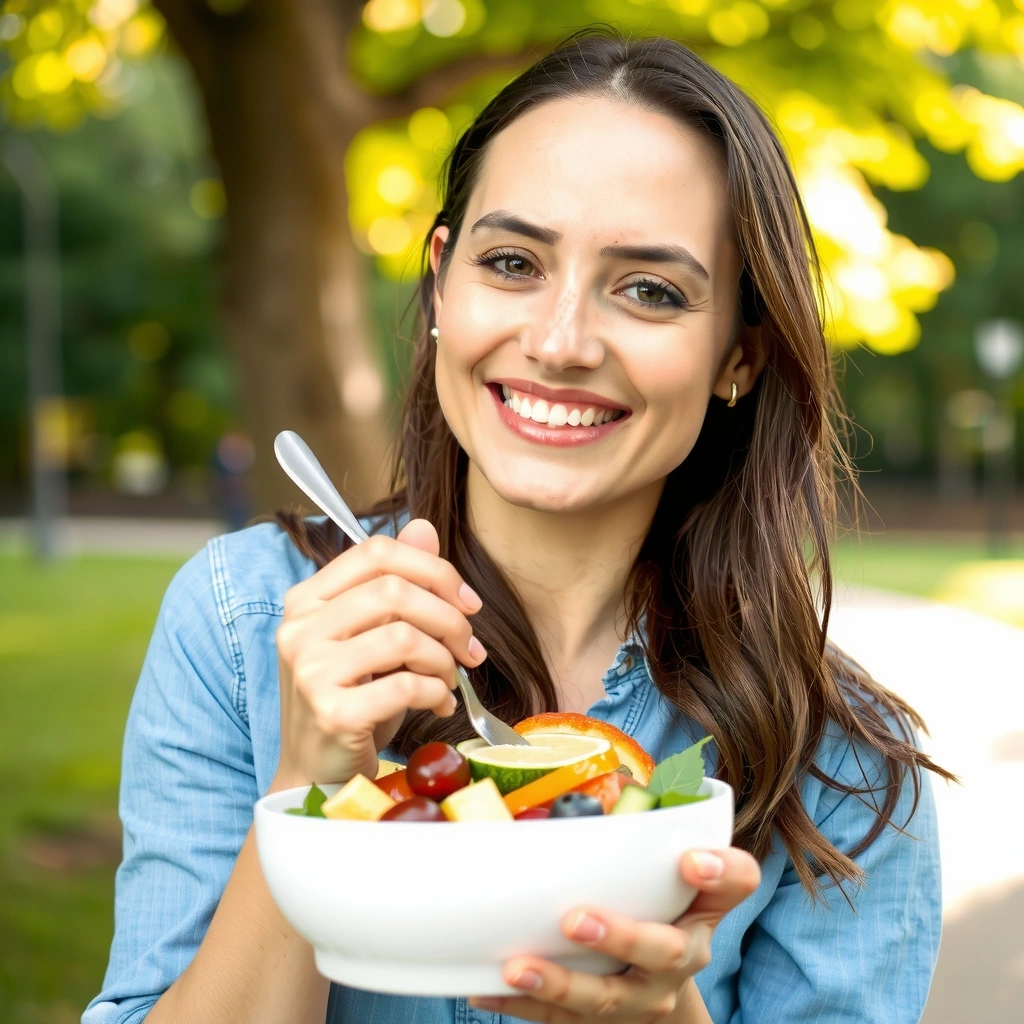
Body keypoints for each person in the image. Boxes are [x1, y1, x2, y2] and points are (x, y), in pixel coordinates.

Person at [84, 31, 952, 1024]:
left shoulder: (841, 767)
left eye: (650, 290)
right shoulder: (240, 624)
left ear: (739, 357)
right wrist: (305, 787)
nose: (558, 341)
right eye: (512, 262)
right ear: (442, 283)